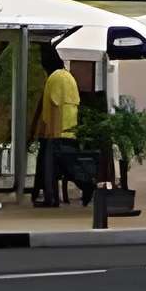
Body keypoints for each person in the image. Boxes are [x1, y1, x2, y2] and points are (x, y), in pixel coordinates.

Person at [32, 42, 82, 205]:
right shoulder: (69, 77)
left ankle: (50, 198)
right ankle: (47, 196)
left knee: (49, 167)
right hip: (70, 131)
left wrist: (49, 133)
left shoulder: (55, 78)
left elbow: (55, 106)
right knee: (66, 166)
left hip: (57, 131)